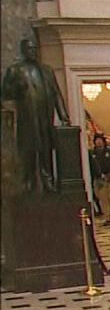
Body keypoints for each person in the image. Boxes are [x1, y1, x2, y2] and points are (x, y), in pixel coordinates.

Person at [1, 37, 70, 193]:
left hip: (45, 117)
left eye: (34, 48)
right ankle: (28, 183)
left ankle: (48, 181)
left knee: (45, 149)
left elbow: (56, 94)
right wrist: (16, 91)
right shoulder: (16, 70)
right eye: (30, 49)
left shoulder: (47, 70)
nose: (33, 51)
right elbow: (6, 95)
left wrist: (63, 115)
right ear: (24, 51)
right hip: (27, 119)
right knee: (28, 151)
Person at [90, 133, 110, 220]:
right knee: (103, 199)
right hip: (99, 179)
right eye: (97, 141)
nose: (99, 142)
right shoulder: (92, 153)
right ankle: (108, 217)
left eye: (100, 140)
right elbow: (91, 167)